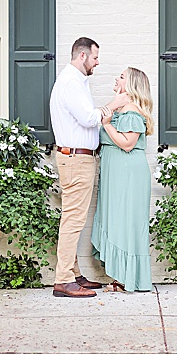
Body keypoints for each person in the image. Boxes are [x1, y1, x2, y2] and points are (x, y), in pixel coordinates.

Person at [49, 37, 128, 299]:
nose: (97, 62)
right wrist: (114, 105)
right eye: (95, 58)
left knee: (74, 218)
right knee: (73, 219)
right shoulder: (71, 82)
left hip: (78, 158)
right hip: (76, 159)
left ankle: (73, 273)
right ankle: (63, 280)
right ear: (82, 56)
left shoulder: (75, 81)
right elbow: (89, 118)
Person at [91, 67, 154, 292]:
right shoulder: (122, 109)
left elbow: (127, 144)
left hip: (127, 174)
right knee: (118, 221)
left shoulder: (132, 112)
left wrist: (107, 124)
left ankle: (128, 279)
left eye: (121, 76)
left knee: (126, 222)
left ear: (132, 85)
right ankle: (122, 276)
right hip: (116, 173)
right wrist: (114, 104)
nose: (115, 78)